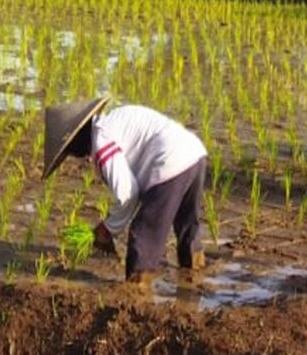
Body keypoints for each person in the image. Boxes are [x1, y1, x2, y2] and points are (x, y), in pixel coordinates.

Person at [42, 95, 209, 285]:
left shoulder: (101, 141)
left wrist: (107, 228)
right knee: (188, 226)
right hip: (195, 153)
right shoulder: (113, 121)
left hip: (169, 162)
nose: (75, 156)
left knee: (144, 233)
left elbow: (127, 194)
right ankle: (194, 280)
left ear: (76, 139)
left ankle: (136, 293)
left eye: (70, 151)